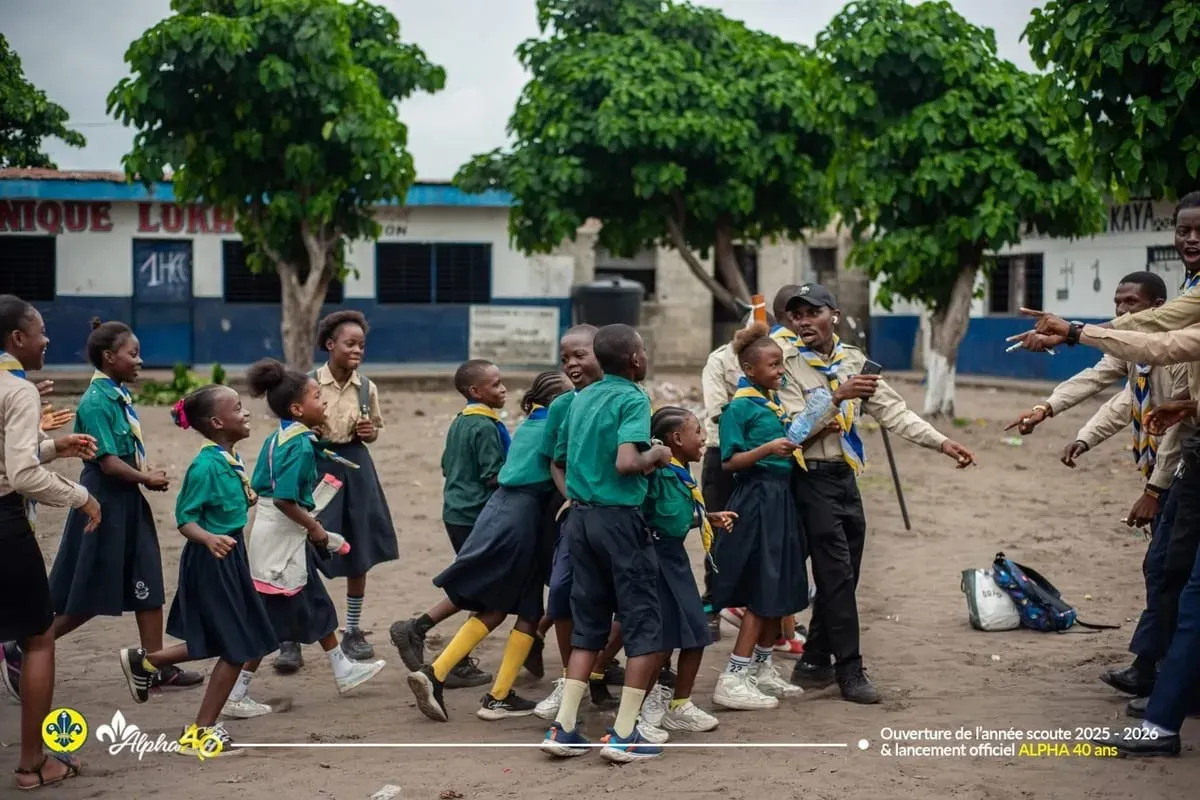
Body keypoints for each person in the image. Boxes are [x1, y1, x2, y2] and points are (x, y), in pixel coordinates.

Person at [777, 284, 974, 704]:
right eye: (797, 315)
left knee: (846, 576)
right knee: (836, 576)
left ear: (833, 315)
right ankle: (849, 670)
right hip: (809, 478)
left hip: (846, 477)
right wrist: (836, 397)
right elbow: (792, 432)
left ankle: (814, 661)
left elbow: (894, 411)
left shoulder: (852, 360)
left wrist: (941, 442)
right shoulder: (787, 363)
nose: (803, 322)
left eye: (812, 313)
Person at [1005, 272, 1191, 698]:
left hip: (1180, 474)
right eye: (1117, 303)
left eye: (1132, 303)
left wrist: (1154, 491)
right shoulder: (1130, 351)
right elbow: (1114, 391)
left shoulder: (1177, 348)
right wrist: (1053, 413)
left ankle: (1157, 671)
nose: (1122, 311)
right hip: (1158, 473)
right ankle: (1159, 669)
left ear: (1158, 308)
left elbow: (1180, 429)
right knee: (1164, 570)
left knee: (1166, 570)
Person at [4, 319, 203, 696]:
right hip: (104, 501)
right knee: (92, 589)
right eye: (133, 354)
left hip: (127, 499)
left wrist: (141, 475)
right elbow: (107, 462)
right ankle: (25, 644)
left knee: (148, 580)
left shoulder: (117, 394)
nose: (140, 360)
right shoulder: (96, 401)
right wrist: (145, 478)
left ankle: (154, 664)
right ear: (110, 357)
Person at [117, 385, 280, 754]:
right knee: (237, 647)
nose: (246, 413)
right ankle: (200, 732)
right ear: (218, 422)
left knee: (223, 638)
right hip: (211, 561)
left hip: (230, 555)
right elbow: (185, 519)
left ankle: (147, 662)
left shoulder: (227, 456)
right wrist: (209, 538)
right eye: (238, 408)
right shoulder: (205, 466)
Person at [539, 323, 672, 763]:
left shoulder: (580, 399)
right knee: (644, 623)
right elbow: (627, 461)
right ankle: (624, 734)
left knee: (588, 625)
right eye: (643, 350)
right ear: (635, 359)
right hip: (619, 520)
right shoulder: (632, 398)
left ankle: (565, 727)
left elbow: (561, 459)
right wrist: (657, 455)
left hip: (581, 520)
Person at [407, 371, 572, 722]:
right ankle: (448, 677)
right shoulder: (553, 429)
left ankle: (477, 688)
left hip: (499, 513)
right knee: (509, 606)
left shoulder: (530, 424)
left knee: (516, 608)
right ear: (559, 404)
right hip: (521, 523)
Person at [0, 295, 101, 790]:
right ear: (17, 338)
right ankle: (32, 763)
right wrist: (81, 496)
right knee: (38, 637)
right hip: (4, 525)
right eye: (40, 331)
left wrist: (52, 445)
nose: (46, 340)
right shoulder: (16, 390)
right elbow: (20, 474)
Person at [240, 359, 386, 697]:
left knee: (315, 601)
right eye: (317, 397)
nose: (324, 403)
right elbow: (284, 499)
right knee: (269, 618)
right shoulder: (300, 446)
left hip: (279, 536)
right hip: (283, 539)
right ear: (297, 409)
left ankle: (342, 668)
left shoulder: (283, 437)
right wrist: (317, 530)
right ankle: (235, 690)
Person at [273, 310, 397, 671]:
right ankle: (290, 636)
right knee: (301, 547)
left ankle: (353, 630)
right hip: (315, 466)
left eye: (362, 345)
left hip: (356, 468)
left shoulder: (366, 388)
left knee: (358, 546)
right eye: (350, 344)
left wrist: (369, 433)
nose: (357, 350)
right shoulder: (307, 384)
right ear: (330, 345)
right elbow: (288, 428)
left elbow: (375, 428)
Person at [388, 359, 508, 689]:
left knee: (480, 587)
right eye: (496, 385)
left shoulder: (460, 421)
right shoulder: (485, 426)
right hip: (476, 515)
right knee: (486, 593)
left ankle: (454, 656)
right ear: (475, 391)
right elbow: (493, 476)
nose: (503, 390)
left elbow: (446, 465)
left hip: (456, 511)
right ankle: (420, 631)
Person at [707, 323, 808, 711]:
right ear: (749, 369)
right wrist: (767, 448)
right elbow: (730, 461)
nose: (780, 371)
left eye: (781, 364)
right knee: (761, 587)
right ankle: (733, 677)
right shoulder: (738, 408)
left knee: (778, 584)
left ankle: (762, 668)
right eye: (773, 365)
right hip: (757, 499)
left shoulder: (772, 403)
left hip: (780, 498)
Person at [534, 326, 627, 721]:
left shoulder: (626, 398)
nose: (571, 364)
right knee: (563, 593)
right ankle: (569, 678)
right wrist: (570, 496)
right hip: (579, 517)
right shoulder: (562, 406)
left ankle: (599, 670)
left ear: (603, 355)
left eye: (580, 355)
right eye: (565, 358)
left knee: (627, 600)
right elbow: (556, 461)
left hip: (621, 517)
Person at [637, 406, 735, 736]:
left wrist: (707, 517)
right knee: (662, 641)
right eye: (698, 432)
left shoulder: (680, 471)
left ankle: (679, 705)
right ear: (677, 439)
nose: (704, 438)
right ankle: (637, 713)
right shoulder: (659, 475)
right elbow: (660, 520)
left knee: (695, 633)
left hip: (673, 559)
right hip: (657, 561)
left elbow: (677, 517)